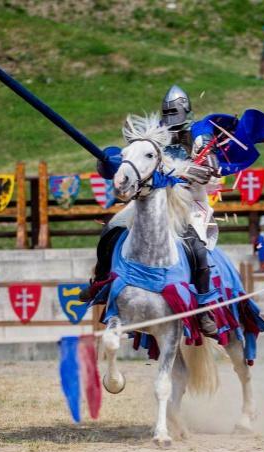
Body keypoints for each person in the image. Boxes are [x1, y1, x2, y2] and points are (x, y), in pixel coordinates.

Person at [81, 85, 220, 336]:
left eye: (174, 110)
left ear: (185, 110)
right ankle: (101, 281)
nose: (170, 116)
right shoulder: (154, 134)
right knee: (112, 229)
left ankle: (203, 307)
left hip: (189, 202)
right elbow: (135, 162)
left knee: (197, 248)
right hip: (151, 198)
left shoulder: (201, 135)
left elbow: (210, 170)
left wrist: (179, 171)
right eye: (167, 111)